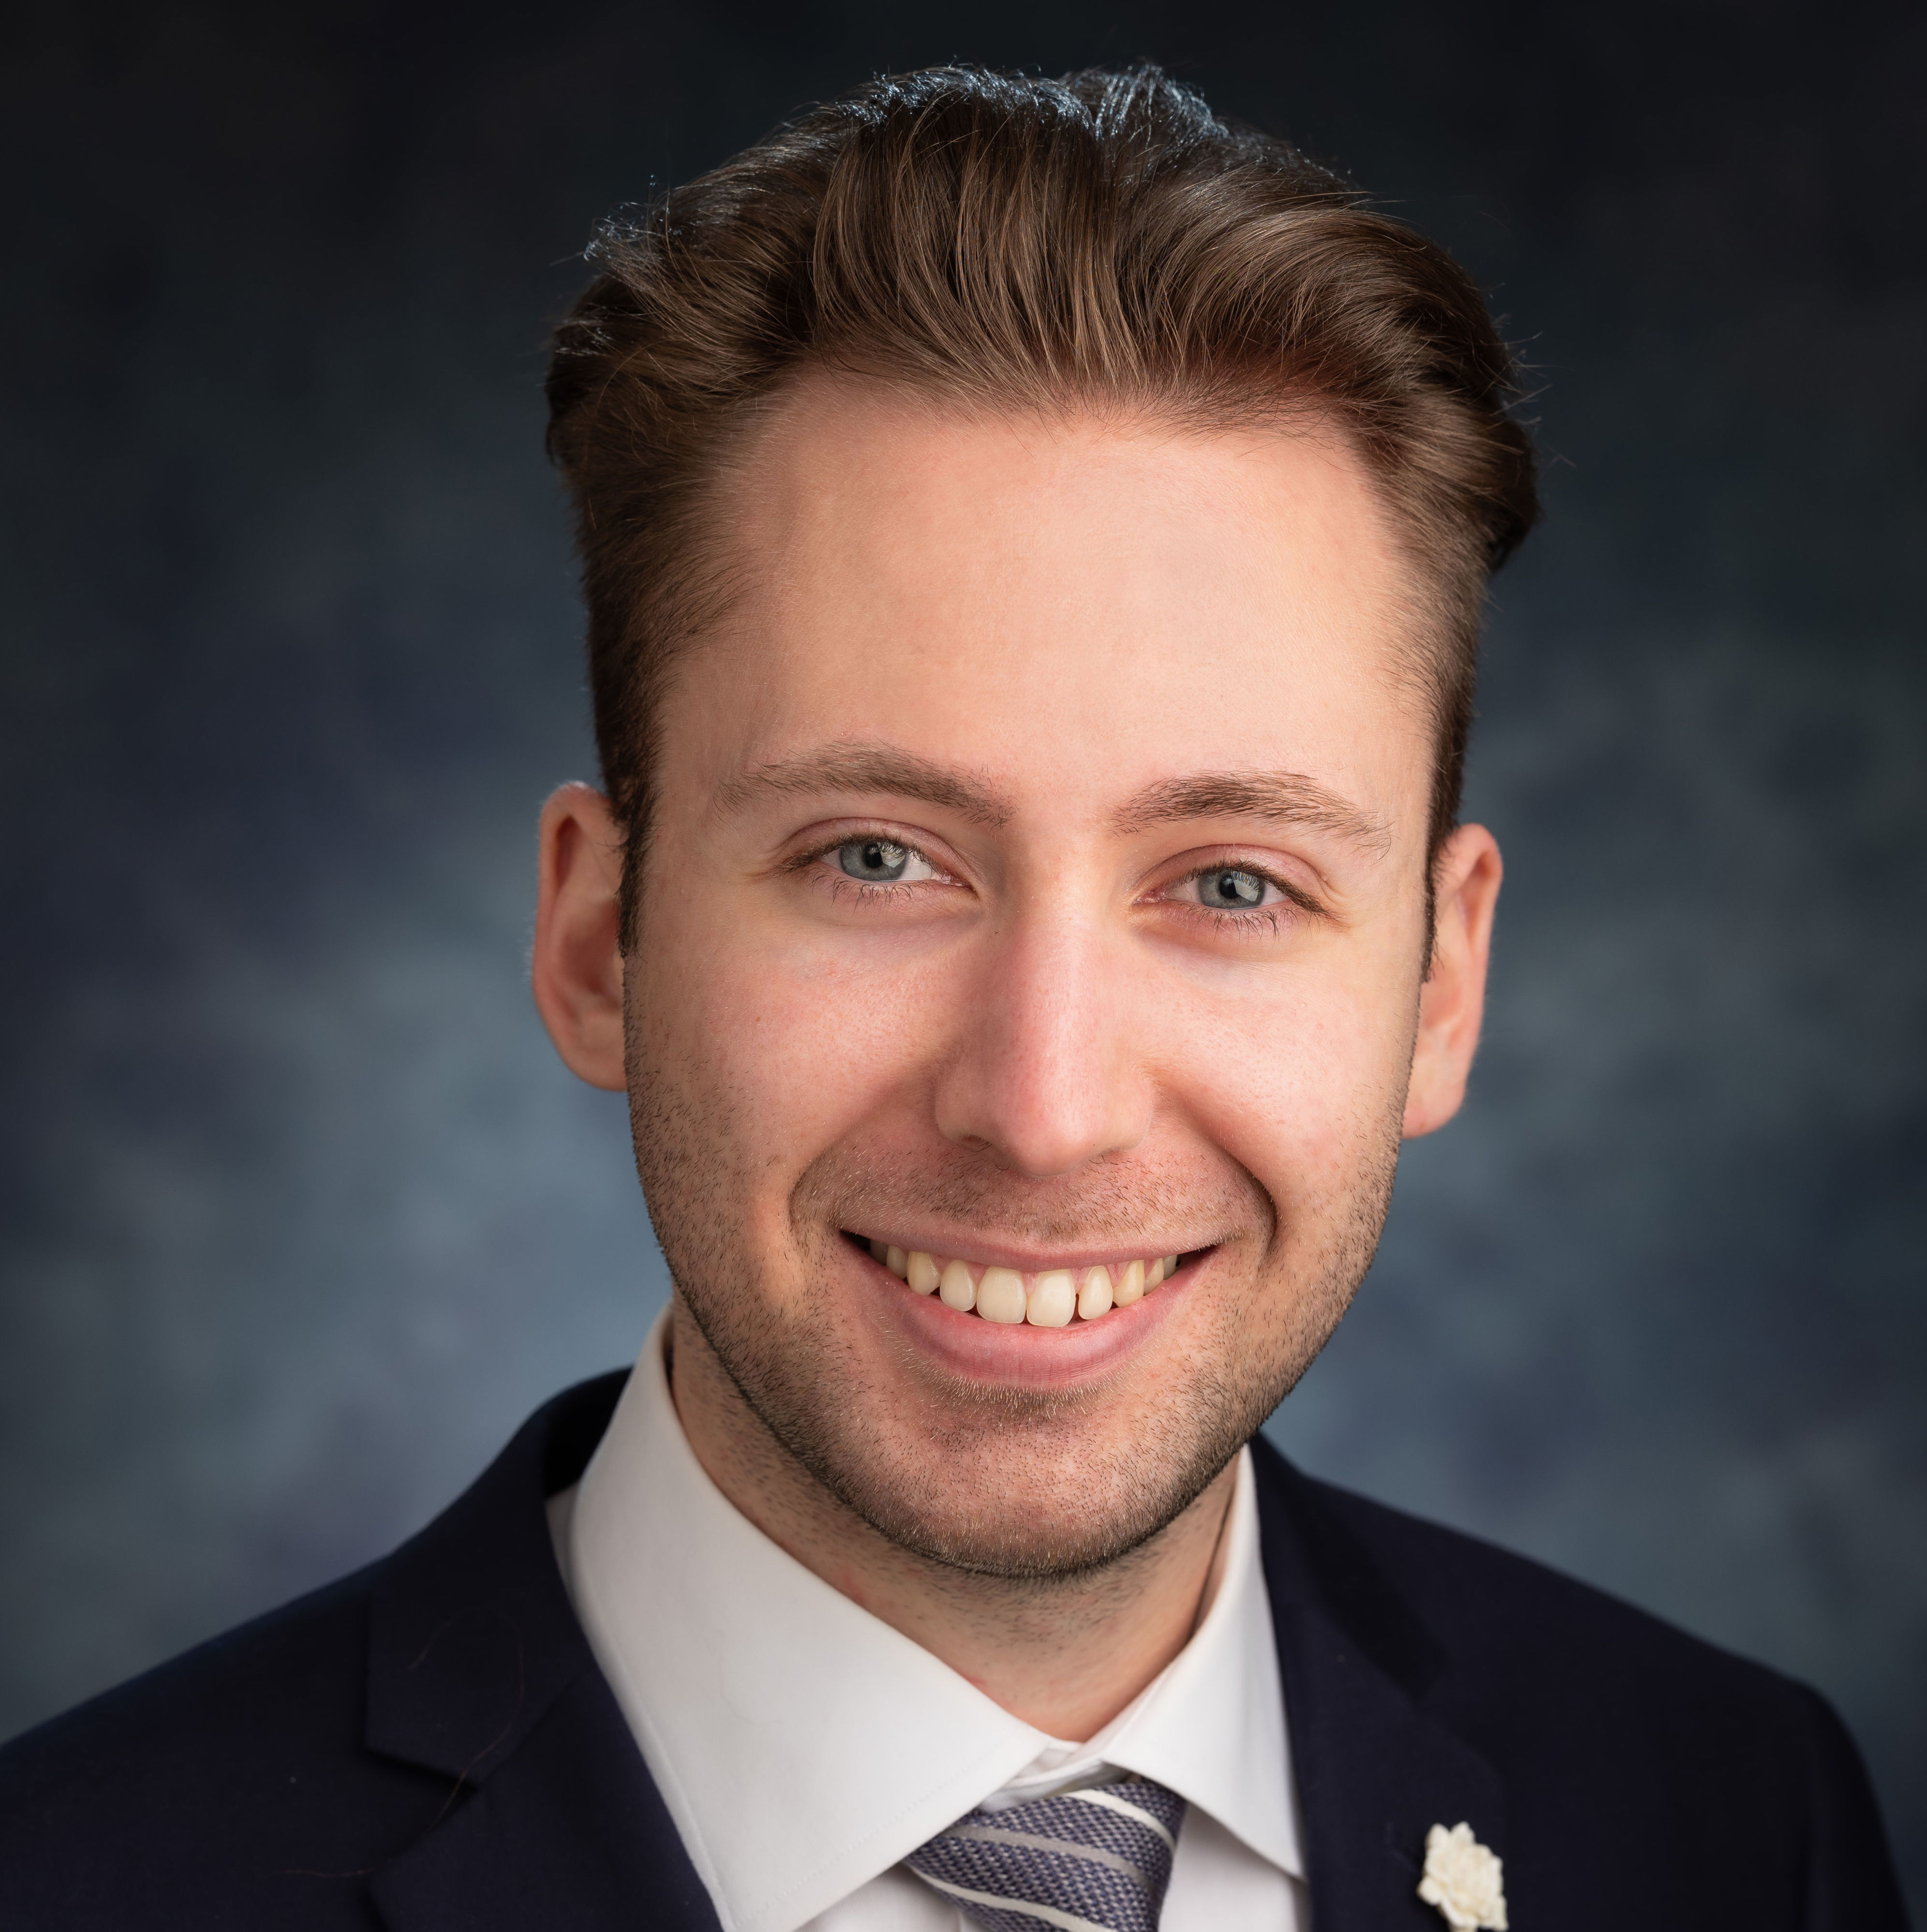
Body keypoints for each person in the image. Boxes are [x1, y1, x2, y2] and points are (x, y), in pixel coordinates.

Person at [0, 63, 1906, 1932]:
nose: (1046, 1104)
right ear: (601, 940)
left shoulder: (1734, 1824)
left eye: (1233, 882)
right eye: (876, 860)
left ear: (1440, 985)